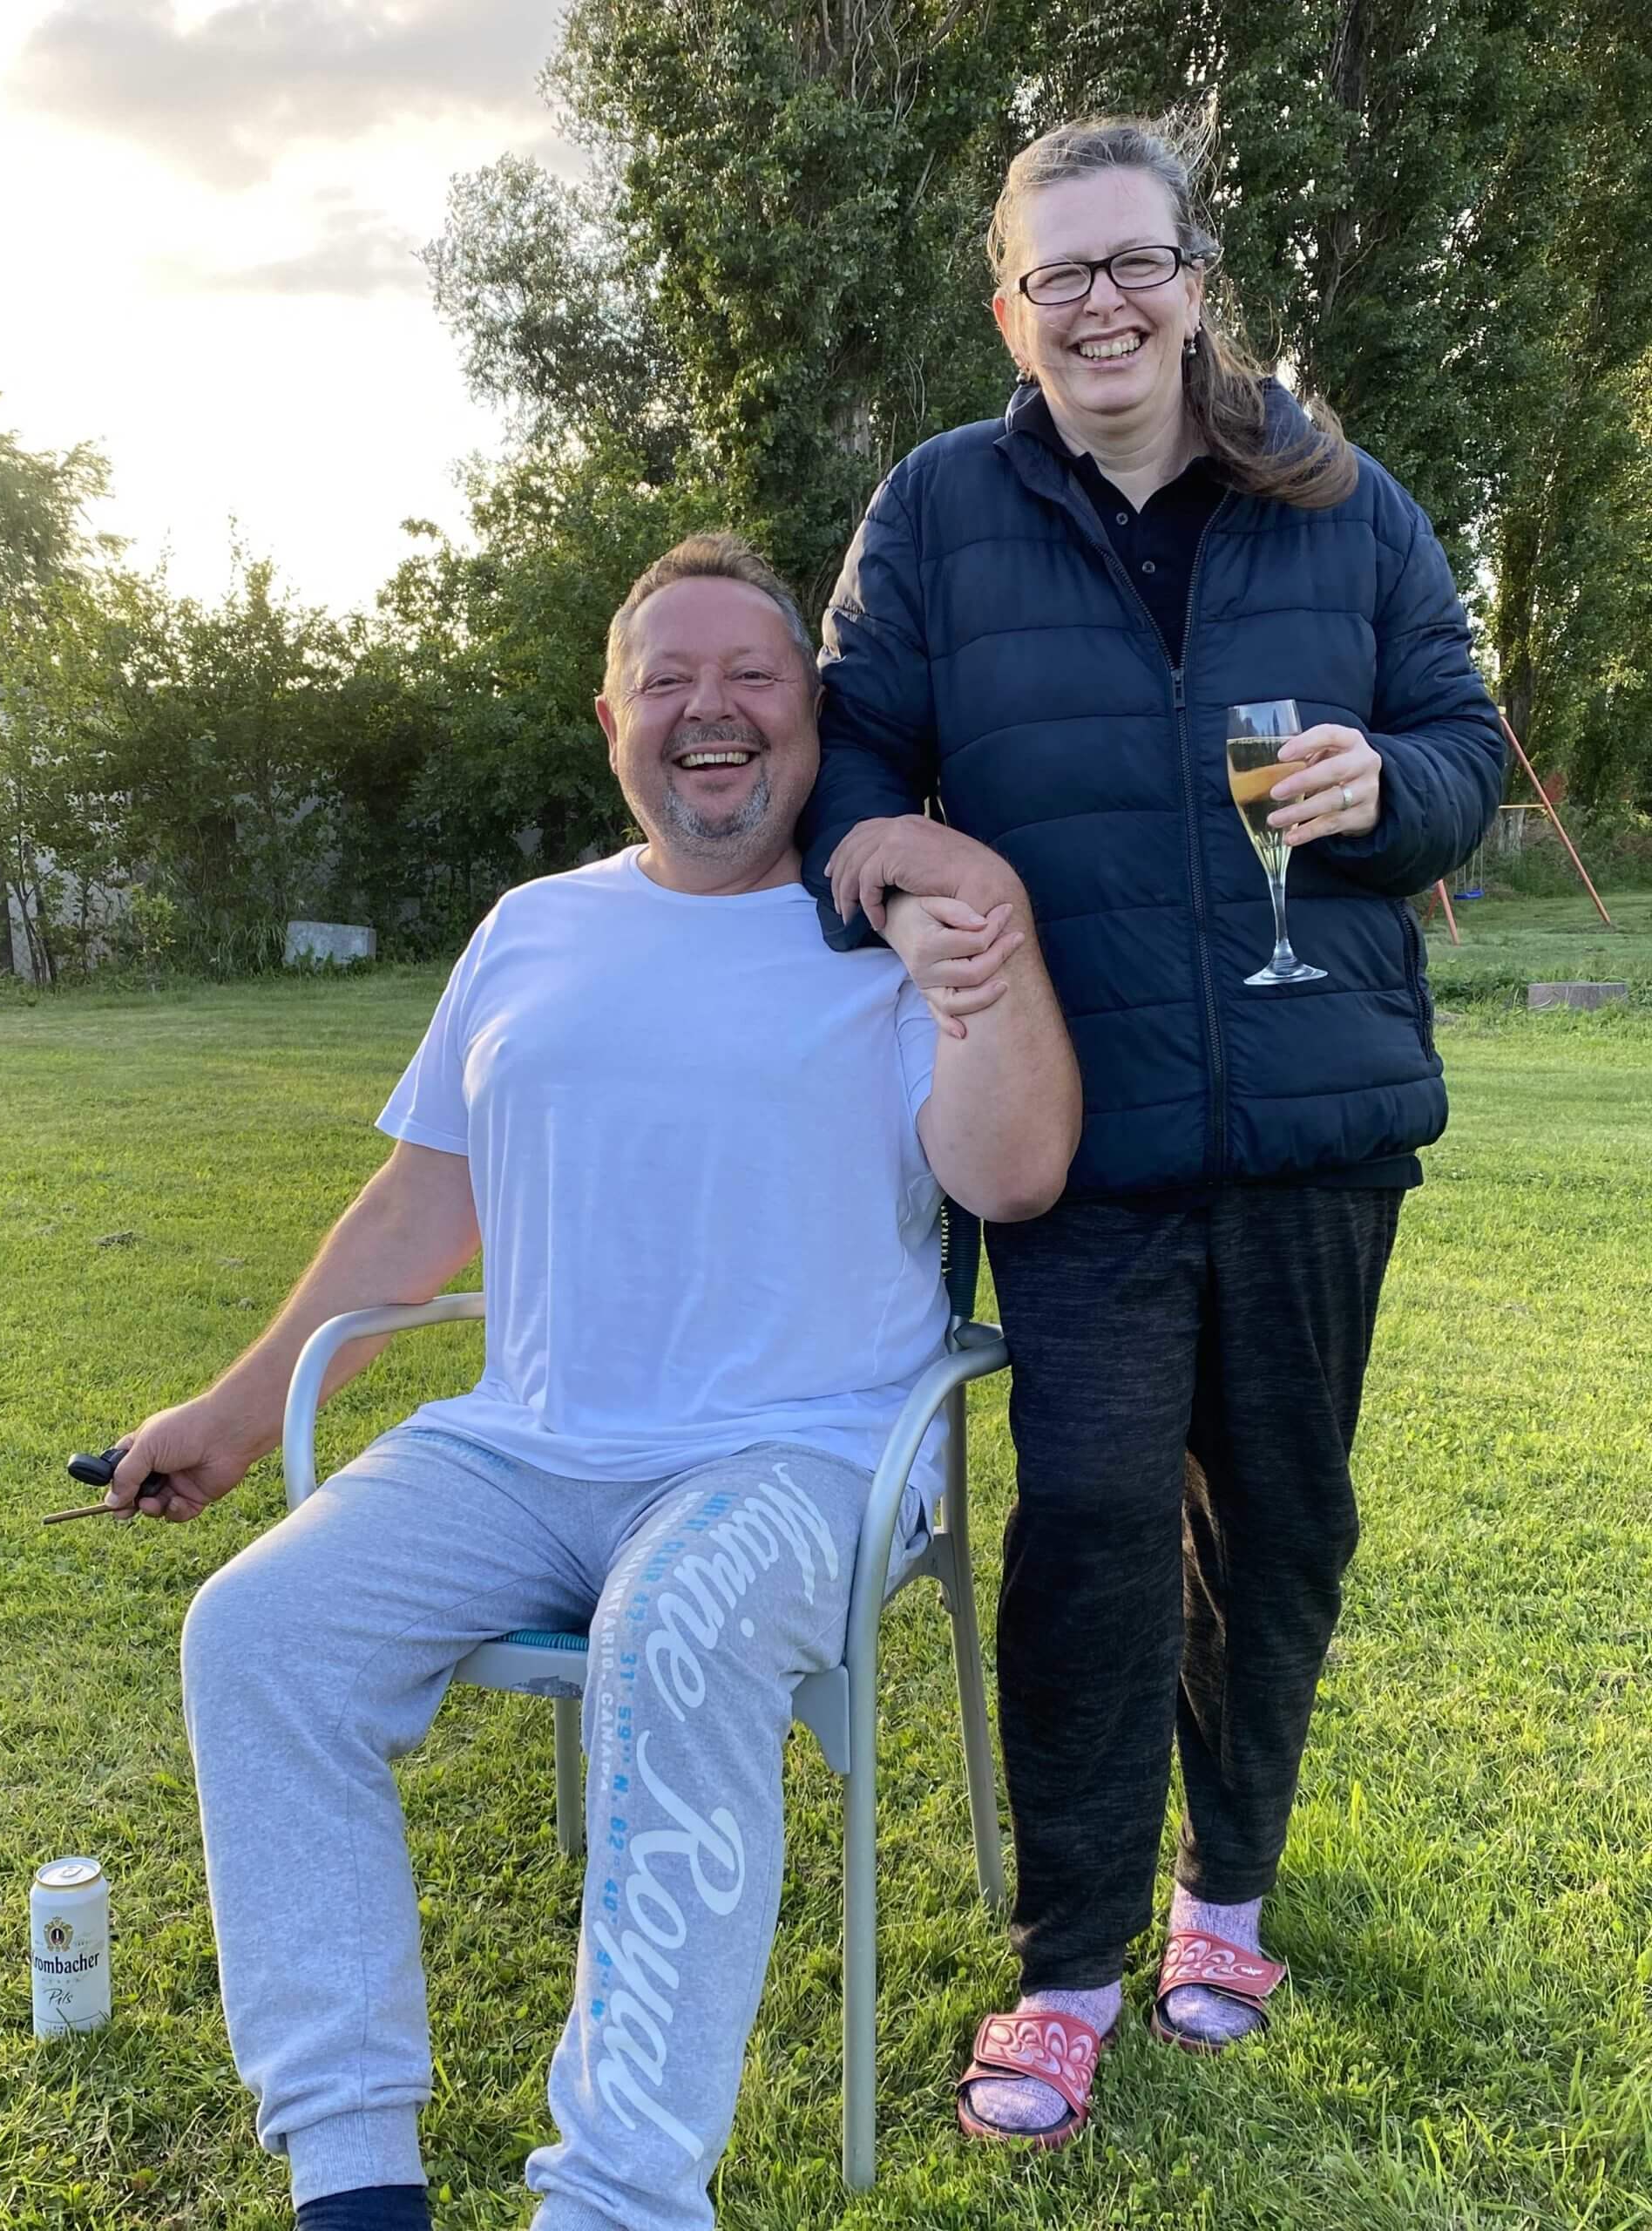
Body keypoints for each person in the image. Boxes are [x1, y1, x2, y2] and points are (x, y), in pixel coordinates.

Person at [103, 533, 1078, 2231]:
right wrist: (234, 1415)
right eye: (667, 678)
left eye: (752, 674)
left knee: (675, 1626)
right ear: (610, 718)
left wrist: (980, 933)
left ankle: (619, 2199)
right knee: (257, 1632)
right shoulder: (531, 927)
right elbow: (420, 1207)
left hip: (796, 1457)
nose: (712, 708)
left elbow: (1015, 1173)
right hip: (522, 1448)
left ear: (813, 710)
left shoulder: (885, 934)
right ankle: (353, 2179)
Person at [801, 113, 1506, 2148]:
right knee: (1095, 1529)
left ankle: (1229, 1899)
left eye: (1138, 263)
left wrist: (1396, 792)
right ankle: (1069, 1966)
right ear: (1008, 311)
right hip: (1079, 1141)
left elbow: (1464, 744)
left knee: (1277, 1527)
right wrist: (895, 871)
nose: (1102, 303)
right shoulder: (939, 509)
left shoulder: (1342, 492)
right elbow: (849, 760)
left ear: (1199, 282)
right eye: (1062, 273)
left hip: (1316, 1125)